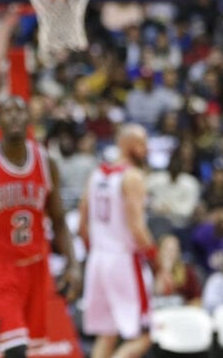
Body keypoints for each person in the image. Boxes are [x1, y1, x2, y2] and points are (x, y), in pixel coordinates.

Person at [0, 96, 81, 358]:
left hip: (35, 267)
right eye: (7, 111)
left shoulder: (46, 162)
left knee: (26, 347)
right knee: (15, 346)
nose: (14, 116)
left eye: (20, 111)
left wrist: (73, 263)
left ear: (29, 119)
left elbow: (58, 219)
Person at [78, 124, 156, 358]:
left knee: (107, 333)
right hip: (123, 260)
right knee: (145, 334)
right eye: (142, 143)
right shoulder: (132, 177)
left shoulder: (97, 174)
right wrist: (156, 259)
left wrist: (96, 251)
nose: (146, 148)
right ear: (129, 145)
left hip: (98, 259)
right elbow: (137, 227)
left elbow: (82, 225)